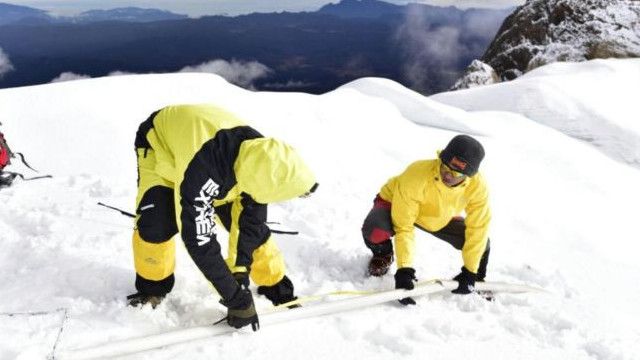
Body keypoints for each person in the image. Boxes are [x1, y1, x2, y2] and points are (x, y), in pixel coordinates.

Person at [126, 104, 318, 331]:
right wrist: (234, 297)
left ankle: (274, 285)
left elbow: (249, 227)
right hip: (161, 148)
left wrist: (240, 276)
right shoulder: (202, 173)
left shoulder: (266, 159)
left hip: (215, 159)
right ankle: (152, 288)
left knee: (253, 232)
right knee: (156, 223)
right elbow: (200, 240)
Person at [361, 134, 490, 304]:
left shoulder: (478, 187)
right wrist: (404, 270)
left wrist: (470, 271)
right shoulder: (416, 174)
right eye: (445, 167)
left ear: (468, 175)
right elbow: (404, 227)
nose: (448, 176)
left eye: (456, 173)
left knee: (482, 244)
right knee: (375, 231)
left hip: (437, 214)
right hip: (396, 203)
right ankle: (383, 254)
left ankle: (476, 279)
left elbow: (478, 227)